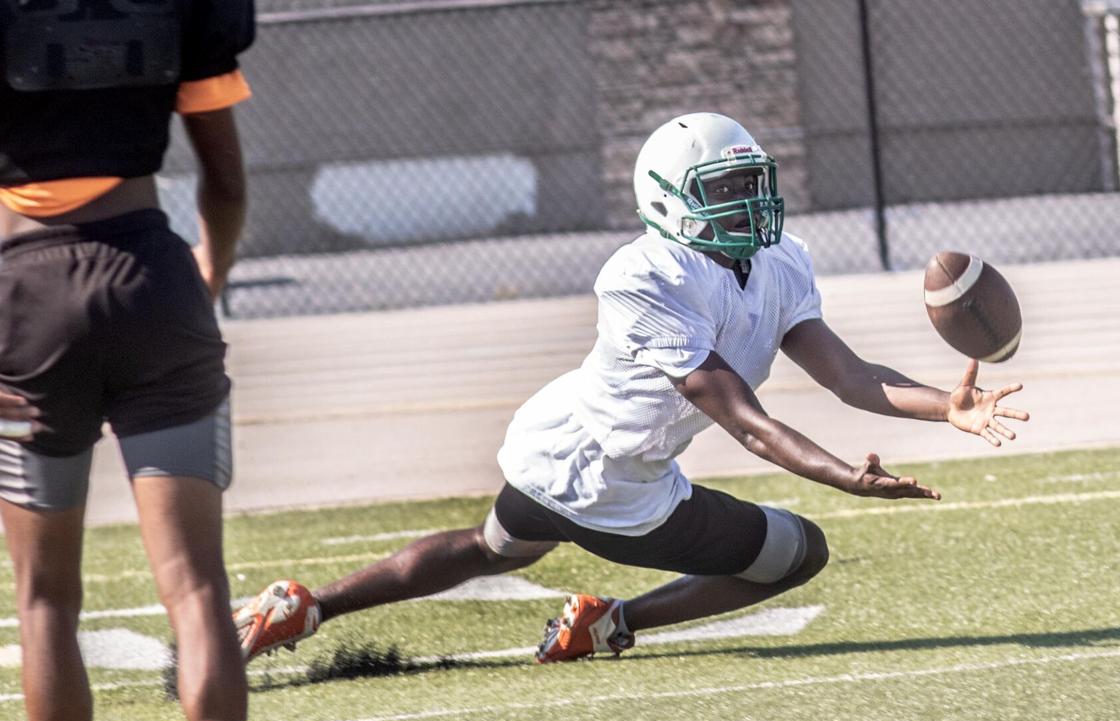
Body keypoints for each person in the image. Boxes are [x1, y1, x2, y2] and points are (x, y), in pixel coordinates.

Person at [233, 112, 1029, 666]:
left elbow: (849, 374)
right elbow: (744, 419)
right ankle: (611, 622)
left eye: (750, 182)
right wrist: (842, 476)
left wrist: (945, 404)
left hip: (566, 443)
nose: (748, 203)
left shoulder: (780, 258)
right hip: (613, 484)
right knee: (799, 552)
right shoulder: (645, 276)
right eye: (723, 190)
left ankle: (308, 605)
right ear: (666, 201)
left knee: (490, 547)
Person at [0, 2, 255, 721]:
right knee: (197, 585)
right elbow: (227, 182)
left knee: (45, 602)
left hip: (33, 299)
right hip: (154, 276)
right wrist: (206, 273)